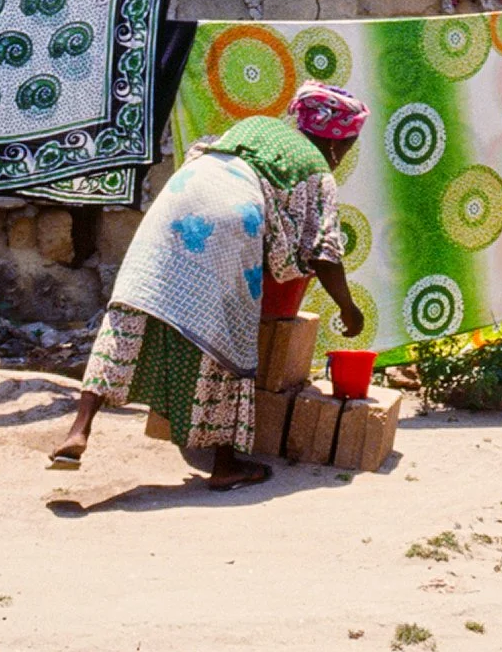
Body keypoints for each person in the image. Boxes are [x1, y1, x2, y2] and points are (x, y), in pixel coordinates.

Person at [52, 82, 368, 490]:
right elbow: (325, 253)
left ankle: (79, 429)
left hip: (178, 198)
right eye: (347, 147)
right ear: (337, 142)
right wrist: (348, 309)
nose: (343, 157)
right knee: (227, 336)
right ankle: (224, 464)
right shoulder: (316, 167)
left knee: (133, 311)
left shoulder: (255, 127)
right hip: (230, 218)